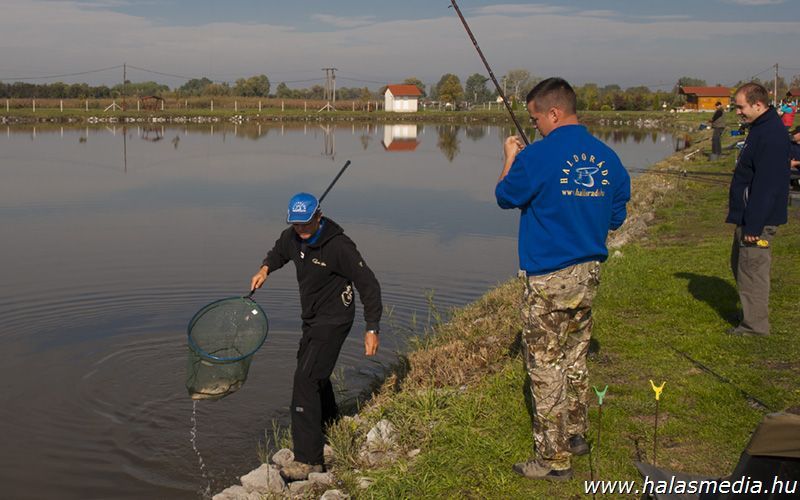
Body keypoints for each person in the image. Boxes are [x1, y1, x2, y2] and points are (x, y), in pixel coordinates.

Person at [495, 77, 631, 480]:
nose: (534, 126)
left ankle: (553, 460)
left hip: (549, 277)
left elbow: (505, 195)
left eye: (535, 118)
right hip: (589, 274)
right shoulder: (607, 157)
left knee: (545, 366)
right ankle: (575, 433)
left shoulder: (537, 156)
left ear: (553, 113)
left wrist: (510, 157)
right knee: (575, 355)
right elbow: (616, 214)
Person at [250, 192, 382, 481]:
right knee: (313, 371)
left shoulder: (339, 246)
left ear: (318, 217)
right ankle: (330, 423)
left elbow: (369, 284)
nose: (301, 230)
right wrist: (265, 269)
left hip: (335, 319)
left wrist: (372, 328)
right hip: (311, 319)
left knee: (305, 379)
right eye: (296, 224)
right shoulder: (293, 237)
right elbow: (279, 251)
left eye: (306, 224)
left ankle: (310, 459)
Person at [727, 83, 790, 336]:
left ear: (758, 104)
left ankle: (755, 326)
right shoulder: (760, 128)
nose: (738, 112)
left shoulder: (771, 135)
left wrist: (754, 226)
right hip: (749, 215)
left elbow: (767, 186)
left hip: (757, 221)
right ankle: (750, 312)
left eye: (740, 107)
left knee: (752, 270)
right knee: (741, 264)